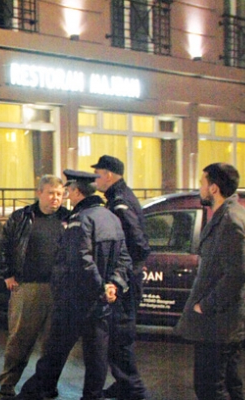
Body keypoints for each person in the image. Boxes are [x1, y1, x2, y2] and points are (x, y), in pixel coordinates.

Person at [13, 170, 131, 400]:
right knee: (96, 357)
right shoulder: (111, 218)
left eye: (69, 190)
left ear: (77, 191)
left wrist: (100, 287)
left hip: (75, 300)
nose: (66, 195)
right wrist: (112, 285)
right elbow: (124, 258)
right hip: (101, 303)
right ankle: (92, 396)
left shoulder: (81, 219)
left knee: (54, 352)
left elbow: (81, 260)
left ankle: (35, 393)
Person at [174, 163, 245, 400]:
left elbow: (236, 275)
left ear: (214, 188)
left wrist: (206, 305)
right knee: (229, 385)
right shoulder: (232, 214)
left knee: (209, 388)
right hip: (224, 323)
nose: (200, 188)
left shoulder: (230, 221)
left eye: (202, 183)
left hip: (218, 324)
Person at [0, 175, 70, 398]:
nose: (56, 198)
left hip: (58, 289)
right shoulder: (22, 217)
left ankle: (47, 384)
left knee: (52, 344)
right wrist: (7, 274)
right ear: (39, 193)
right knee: (20, 340)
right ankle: (7, 383)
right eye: (51, 193)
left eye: (59, 194)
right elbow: (3, 245)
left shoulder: (68, 218)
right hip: (28, 287)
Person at [91, 155, 150, 400]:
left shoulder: (120, 202)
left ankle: (133, 388)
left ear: (109, 174)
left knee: (119, 336)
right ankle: (124, 384)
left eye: (98, 173)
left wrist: (125, 270)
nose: (95, 178)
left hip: (125, 282)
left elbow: (137, 243)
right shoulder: (120, 197)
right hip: (127, 278)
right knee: (118, 336)